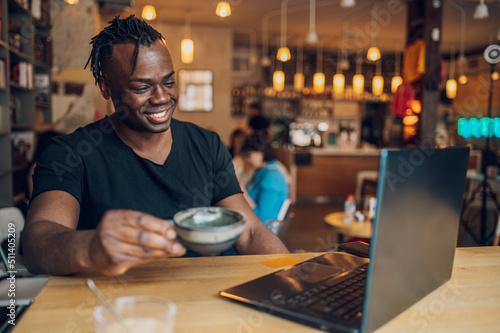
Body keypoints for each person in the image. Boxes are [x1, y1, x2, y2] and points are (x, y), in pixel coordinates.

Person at [22, 15, 288, 277]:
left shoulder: (206, 145)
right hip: (118, 309)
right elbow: (38, 242)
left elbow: (250, 232)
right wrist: (90, 246)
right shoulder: (70, 154)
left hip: (207, 302)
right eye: (142, 87)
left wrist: (293, 279)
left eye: (169, 82)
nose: (162, 97)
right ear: (106, 88)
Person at [240, 134, 289, 225]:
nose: (246, 160)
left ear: (261, 153)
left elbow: (263, 219)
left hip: (261, 230)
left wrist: (243, 192)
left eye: (248, 155)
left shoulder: (272, 177)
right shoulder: (261, 171)